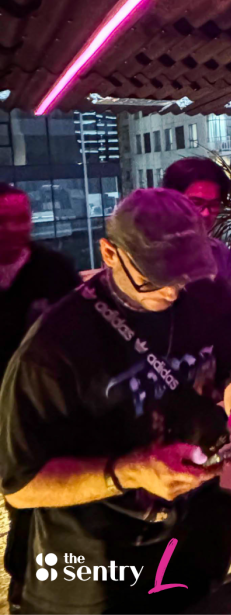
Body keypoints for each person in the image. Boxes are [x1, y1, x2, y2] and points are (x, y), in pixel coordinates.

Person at [0, 189, 231, 613]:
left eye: (183, 275)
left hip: (191, 540)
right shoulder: (54, 349)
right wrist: (130, 471)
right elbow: (20, 485)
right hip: (90, 564)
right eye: (153, 276)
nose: (172, 291)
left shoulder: (205, 293)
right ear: (109, 253)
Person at [0, 183, 81, 609]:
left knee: (31, 497)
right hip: (0, 407)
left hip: (47, 407)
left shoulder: (54, 269)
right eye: (4, 220)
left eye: (22, 218)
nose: (15, 229)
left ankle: (27, 581)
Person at [163, 156, 231, 285]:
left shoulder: (220, 253)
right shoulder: (149, 253)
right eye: (196, 203)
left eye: (213, 205)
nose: (206, 213)